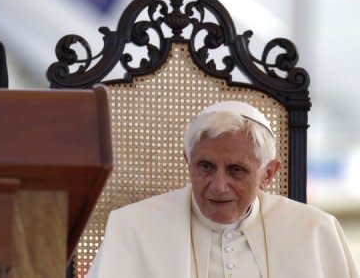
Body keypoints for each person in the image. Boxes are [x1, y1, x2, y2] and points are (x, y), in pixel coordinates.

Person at [86, 101, 360, 277]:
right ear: (188, 162)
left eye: (236, 170)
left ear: (268, 173)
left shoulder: (315, 231)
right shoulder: (132, 227)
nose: (218, 186)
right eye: (205, 166)